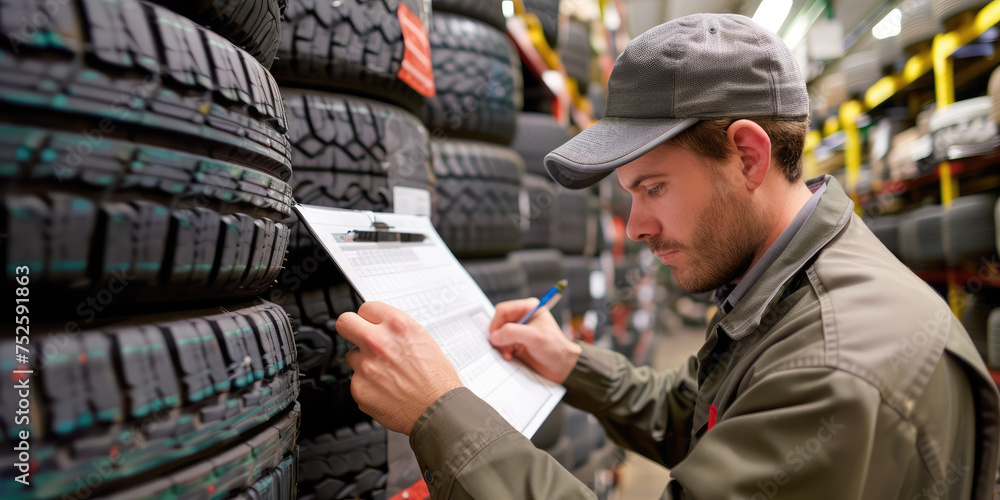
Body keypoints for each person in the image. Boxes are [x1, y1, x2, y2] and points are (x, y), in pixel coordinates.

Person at [334, 13, 1000, 499]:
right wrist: (571, 365)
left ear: (747, 156)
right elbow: (700, 417)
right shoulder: (783, 283)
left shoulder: (837, 365)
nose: (633, 228)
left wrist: (440, 412)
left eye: (653, 188)